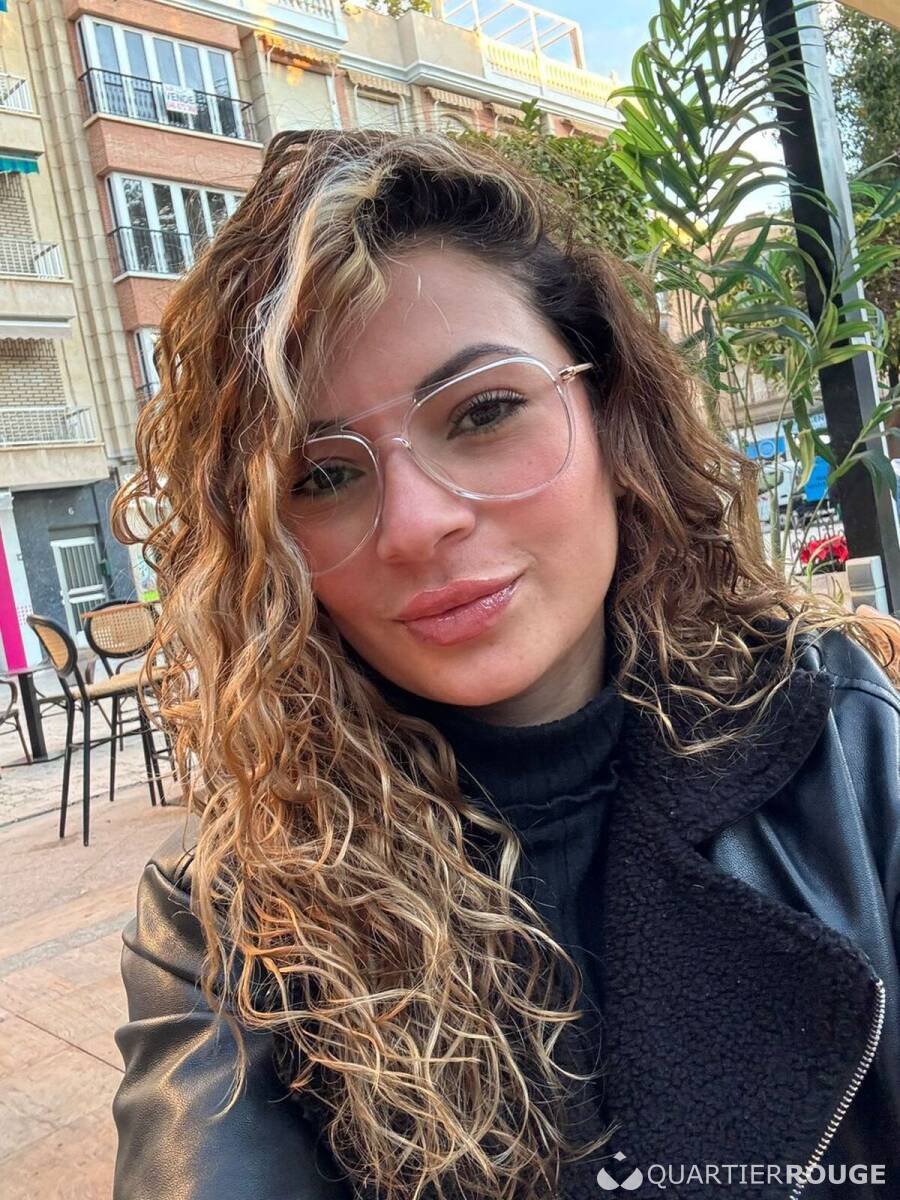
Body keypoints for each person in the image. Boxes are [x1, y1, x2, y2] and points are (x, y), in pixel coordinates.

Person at [109, 130, 900, 1200]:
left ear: (610, 413)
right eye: (321, 475)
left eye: (483, 413)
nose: (416, 524)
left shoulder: (845, 740)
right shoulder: (226, 917)